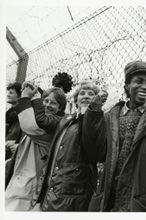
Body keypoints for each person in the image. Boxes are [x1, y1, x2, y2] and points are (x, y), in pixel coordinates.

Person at [84, 61, 146, 212]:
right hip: (111, 194)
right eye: (138, 81)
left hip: (140, 197)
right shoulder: (111, 117)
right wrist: (94, 113)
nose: (145, 86)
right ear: (127, 85)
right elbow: (97, 152)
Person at [35, 80, 105, 211]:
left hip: (72, 193)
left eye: (91, 94)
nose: (86, 96)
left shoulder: (99, 120)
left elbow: (96, 151)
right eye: (82, 93)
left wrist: (93, 111)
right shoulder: (66, 120)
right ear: (76, 100)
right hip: (50, 188)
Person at [5, 83, 66, 211]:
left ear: (60, 108)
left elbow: (29, 126)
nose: (48, 105)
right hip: (22, 178)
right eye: (45, 100)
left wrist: (26, 97)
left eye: (53, 103)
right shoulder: (39, 119)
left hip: (32, 182)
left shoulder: (56, 124)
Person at [6, 82, 22, 160]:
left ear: (19, 96)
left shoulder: (21, 114)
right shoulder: (10, 113)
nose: (8, 95)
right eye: (8, 92)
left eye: (11, 93)